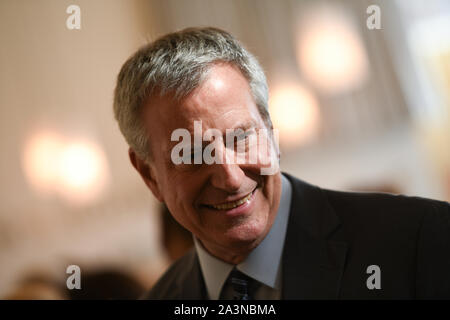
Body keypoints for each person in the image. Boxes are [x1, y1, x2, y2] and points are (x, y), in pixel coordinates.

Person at [113, 27, 450, 299]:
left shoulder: (421, 239)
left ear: (271, 134)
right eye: (190, 154)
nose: (229, 178)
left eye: (240, 137)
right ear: (149, 175)